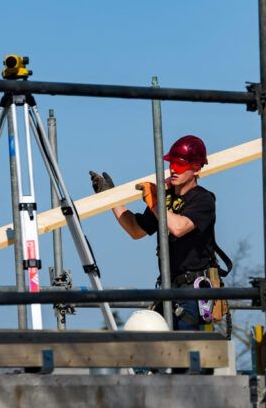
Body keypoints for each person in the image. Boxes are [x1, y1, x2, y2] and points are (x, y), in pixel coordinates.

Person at [90, 134, 217, 331]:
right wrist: (112, 199)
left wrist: (155, 203)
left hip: (192, 293)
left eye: (181, 165)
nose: (173, 169)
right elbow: (135, 229)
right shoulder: (164, 201)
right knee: (155, 351)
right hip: (169, 288)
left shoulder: (202, 200)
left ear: (196, 168)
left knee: (184, 355)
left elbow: (179, 227)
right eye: (172, 164)